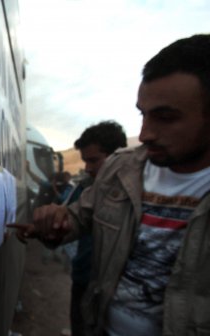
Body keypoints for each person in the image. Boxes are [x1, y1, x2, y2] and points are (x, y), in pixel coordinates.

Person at [8, 34, 210, 335]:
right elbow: (80, 216)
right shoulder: (122, 167)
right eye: (142, 114)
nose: (145, 133)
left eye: (165, 117)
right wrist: (54, 221)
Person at [66, 121, 127, 336]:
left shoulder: (137, 194)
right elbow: (68, 218)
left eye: (93, 160)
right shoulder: (85, 189)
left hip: (112, 289)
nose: (88, 168)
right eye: (85, 161)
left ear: (117, 156)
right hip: (83, 278)